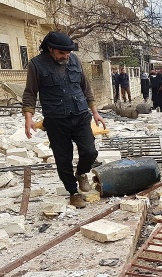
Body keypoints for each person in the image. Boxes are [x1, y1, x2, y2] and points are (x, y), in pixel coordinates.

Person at [22, 31, 106, 209]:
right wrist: (28, 118)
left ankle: (82, 172)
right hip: (56, 119)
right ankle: (73, 192)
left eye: (68, 53)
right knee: (63, 158)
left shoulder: (74, 60)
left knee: (90, 151)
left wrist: (95, 112)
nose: (66, 57)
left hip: (81, 114)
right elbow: (30, 92)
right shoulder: (36, 65)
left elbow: (85, 87)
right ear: (51, 49)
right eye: (62, 54)